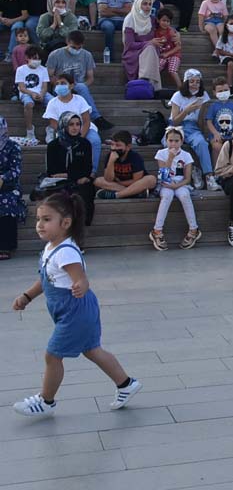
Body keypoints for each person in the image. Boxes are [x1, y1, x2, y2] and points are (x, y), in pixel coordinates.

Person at [10, 192, 142, 417]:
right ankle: (126, 384)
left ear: (66, 223)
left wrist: (80, 284)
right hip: (71, 310)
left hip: (75, 311)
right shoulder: (51, 248)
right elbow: (45, 279)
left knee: (53, 355)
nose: (40, 225)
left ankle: (45, 401)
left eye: (46, 219)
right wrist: (27, 296)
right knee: (92, 350)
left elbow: (80, 277)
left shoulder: (67, 252)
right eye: (38, 219)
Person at [45, 113, 96, 229]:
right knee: (60, 197)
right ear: (64, 126)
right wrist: (74, 175)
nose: (75, 128)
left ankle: (80, 230)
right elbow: (52, 172)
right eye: (71, 124)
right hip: (59, 183)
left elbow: (87, 170)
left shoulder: (85, 144)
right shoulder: (53, 145)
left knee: (84, 192)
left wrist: (67, 174)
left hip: (79, 182)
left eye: (78, 124)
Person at [0, 118, 24, 261]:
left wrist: (2, 178)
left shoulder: (13, 147)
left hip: (9, 185)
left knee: (6, 202)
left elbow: (16, 170)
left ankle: (5, 246)